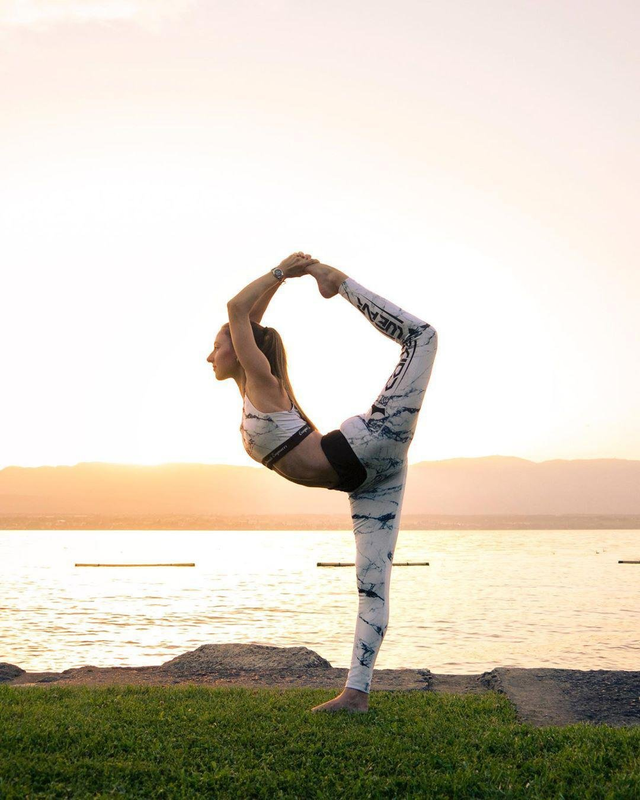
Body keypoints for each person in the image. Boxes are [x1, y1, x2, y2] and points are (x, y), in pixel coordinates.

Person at [206, 252, 438, 713]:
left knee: (423, 338)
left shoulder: (263, 383)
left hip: (368, 444)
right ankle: (356, 695)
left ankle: (340, 283)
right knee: (372, 587)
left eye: (218, 345)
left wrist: (283, 273)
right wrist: (281, 282)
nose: (210, 354)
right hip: (366, 478)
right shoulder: (252, 390)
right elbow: (245, 320)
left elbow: (237, 313)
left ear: (240, 347)